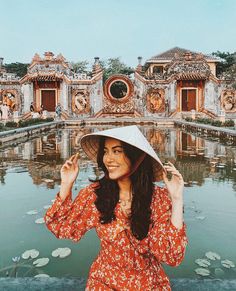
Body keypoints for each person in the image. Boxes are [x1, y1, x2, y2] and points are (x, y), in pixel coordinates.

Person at [44, 125, 187, 290]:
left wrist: (176, 199)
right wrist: (66, 184)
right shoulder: (96, 194)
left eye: (117, 151)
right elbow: (61, 227)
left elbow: (172, 256)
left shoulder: (158, 199)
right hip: (105, 280)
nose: (108, 159)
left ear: (136, 157)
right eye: (105, 151)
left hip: (148, 282)